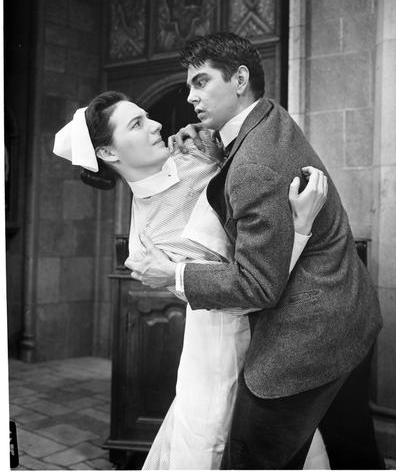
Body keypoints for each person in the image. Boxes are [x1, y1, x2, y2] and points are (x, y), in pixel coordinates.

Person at [129, 32, 385, 470]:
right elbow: (238, 151)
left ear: (240, 78)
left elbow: (256, 284)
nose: (190, 97)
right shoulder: (269, 118)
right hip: (351, 316)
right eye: (190, 86)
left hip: (308, 336)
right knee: (352, 453)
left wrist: (173, 275)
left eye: (201, 82)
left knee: (250, 456)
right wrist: (208, 138)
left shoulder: (254, 166)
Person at [53, 91, 329, 470]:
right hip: (222, 350)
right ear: (108, 153)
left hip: (279, 334)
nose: (156, 125)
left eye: (147, 117)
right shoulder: (148, 242)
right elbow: (245, 293)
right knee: (215, 444)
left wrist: (213, 140)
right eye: (136, 124)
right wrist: (299, 226)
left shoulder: (194, 153)